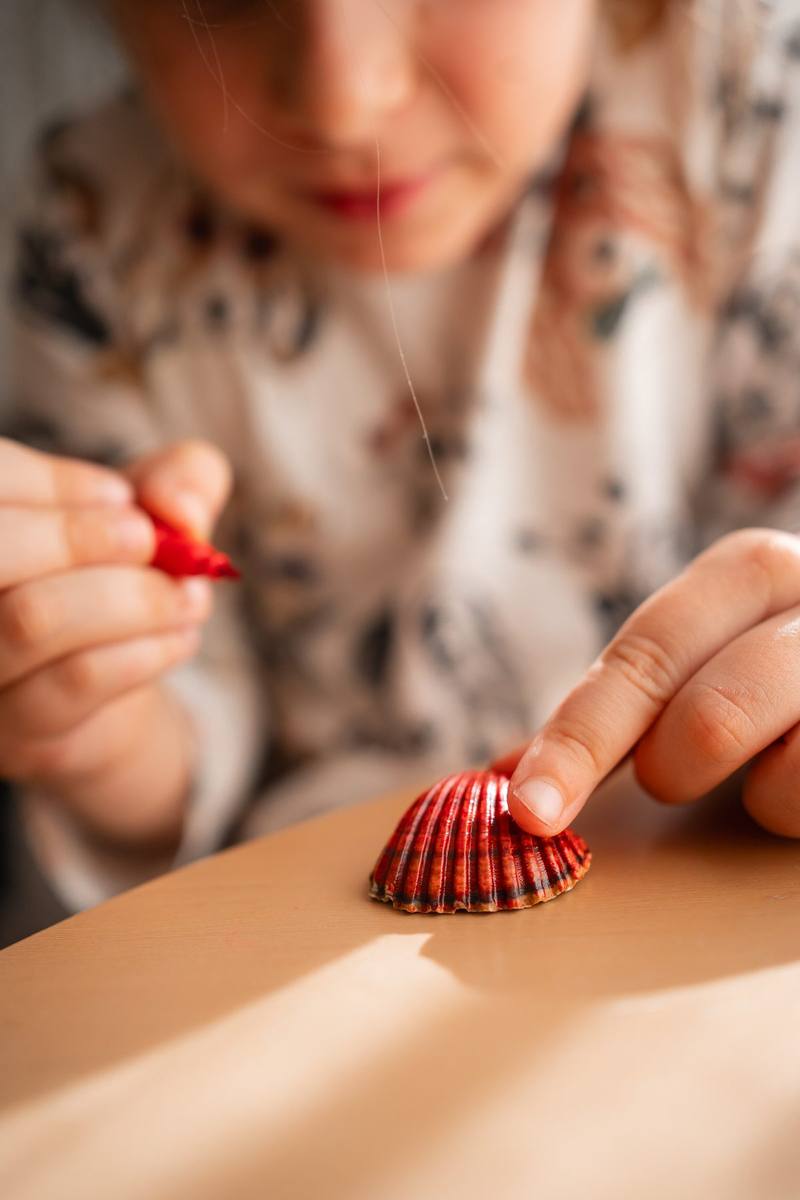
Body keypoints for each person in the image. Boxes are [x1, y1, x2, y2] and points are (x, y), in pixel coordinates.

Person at [3, 0, 799, 913]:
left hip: (699, 879)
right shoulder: (93, 222)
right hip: (301, 929)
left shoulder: (753, 98)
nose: (344, 102)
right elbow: (182, 743)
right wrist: (95, 716)